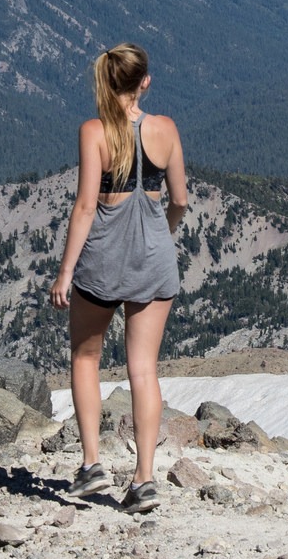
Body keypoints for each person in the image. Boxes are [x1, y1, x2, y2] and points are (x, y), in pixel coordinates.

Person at [50, 43, 187, 513]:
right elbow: (181, 199)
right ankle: (144, 478)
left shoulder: (95, 132)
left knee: (86, 357)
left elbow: (87, 205)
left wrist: (65, 272)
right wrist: (162, 232)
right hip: (154, 258)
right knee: (143, 370)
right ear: (144, 81)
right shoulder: (166, 129)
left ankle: (92, 466)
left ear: (107, 83)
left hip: (104, 259)